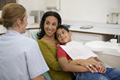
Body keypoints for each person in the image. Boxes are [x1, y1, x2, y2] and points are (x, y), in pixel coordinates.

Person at [0, 3, 49, 80]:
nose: (27, 23)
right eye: (26, 19)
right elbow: (37, 78)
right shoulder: (29, 44)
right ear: (19, 21)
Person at [56, 25, 120, 80]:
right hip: (84, 72)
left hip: (97, 67)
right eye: (58, 35)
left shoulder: (79, 44)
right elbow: (65, 66)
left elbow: (93, 57)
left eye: (63, 32)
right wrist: (88, 68)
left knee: (117, 73)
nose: (61, 36)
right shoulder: (61, 48)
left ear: (70, 33)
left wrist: (101, 64)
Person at [37, 11, 75, 80]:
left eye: (53, 24)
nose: (49, 27)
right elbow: (55, 66)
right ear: (43, 24)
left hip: (77, 74)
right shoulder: (41, 43)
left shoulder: (61, 39)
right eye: (47, 23)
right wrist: (78, 61)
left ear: (58, 25)